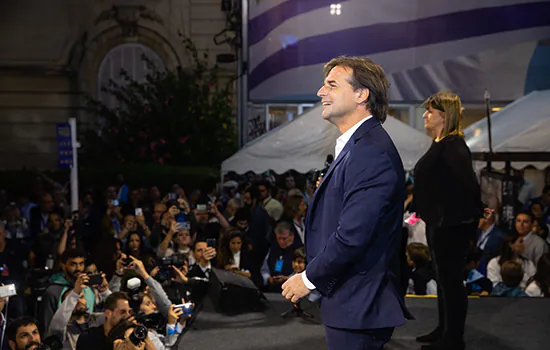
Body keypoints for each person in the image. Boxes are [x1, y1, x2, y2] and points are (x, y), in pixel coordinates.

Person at [281, 56, 411, 350]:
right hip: (352, 300)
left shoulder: (370, 153)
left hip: (358, 303)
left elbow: (354, 236)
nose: (320, 92)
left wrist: (308, 278)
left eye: (331, 85)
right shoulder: (360, 147)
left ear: (361, 94)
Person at [413, 91, 482, 350]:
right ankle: (445, 330)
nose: (425, 115)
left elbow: (467, 187)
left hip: (449, 227)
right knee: (445, 280)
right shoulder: (443, 143)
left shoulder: (453, 147)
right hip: (440, 224)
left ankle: (453, 338)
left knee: (451, 282)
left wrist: (456, 219)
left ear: (444, 116)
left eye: (430, 111)